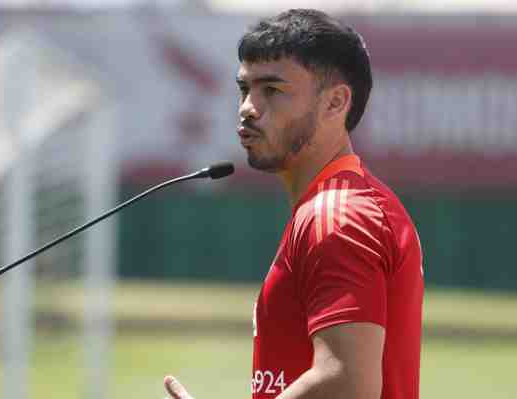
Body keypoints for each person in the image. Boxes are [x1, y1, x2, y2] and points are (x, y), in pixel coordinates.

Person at [162, 9, 424, 399]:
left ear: (335, 103)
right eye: (244, 89)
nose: (248, 107)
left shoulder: (337, 215)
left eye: (272, 90)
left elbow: (347, 382)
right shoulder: (344, 204)